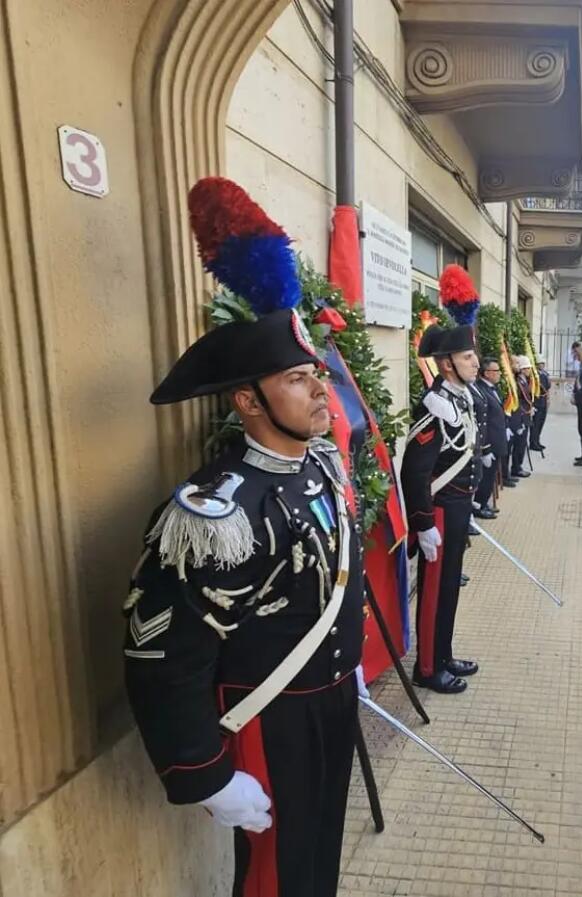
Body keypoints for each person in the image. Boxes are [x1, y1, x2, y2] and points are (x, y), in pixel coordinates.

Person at [124, 180, 367, 895]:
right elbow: (160, 648)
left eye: (316, 373)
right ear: (247, 400)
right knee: (273, 875)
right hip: (270, 716)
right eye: (299, 379)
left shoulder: (319, 464)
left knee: (318, 855)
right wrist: (203, 767)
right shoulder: (216, 512)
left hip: (330, 699)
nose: (322, 389)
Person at [400, 324, 481, 695]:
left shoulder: (460, 397)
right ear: (447, 364)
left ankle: (443, 654)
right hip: (441, 514)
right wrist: (423, 523)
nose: (476, 362)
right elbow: (414, 470)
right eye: (468, 357)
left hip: (458, 507)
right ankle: (428, 667)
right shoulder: (434, 406)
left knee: (449, 588)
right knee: (434, 592)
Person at [474, 357, 509, 516]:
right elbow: (483, 421)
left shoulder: (493, 389)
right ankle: (479, 506)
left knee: (490, 476)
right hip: (489, 443)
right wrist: (485, 448)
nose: (499, 374)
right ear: (487, 373)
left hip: (497, 440)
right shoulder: (480, 390)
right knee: (485, 478)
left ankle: (484, 504)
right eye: (496, 371)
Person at [508, 356, 535, 478]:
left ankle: (518, 466)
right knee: (519, 444)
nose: (529, 370)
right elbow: (519, 401)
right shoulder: (518, 381)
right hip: (520, 416)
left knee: (522, 444)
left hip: (525, 414)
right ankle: (516, 468)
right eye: (527, 368)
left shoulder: (524, 379)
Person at [530, 360, 551, 452]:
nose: (541, 365)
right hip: (537, 401)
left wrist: (548, 399)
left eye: (543, 363)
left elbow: (548, 388)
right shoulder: (536, 375)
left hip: (543, 401)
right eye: (539, 364)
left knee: (541, 423)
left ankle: (537, 441)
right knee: (536, 424)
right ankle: (533, 443)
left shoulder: (545, 374)